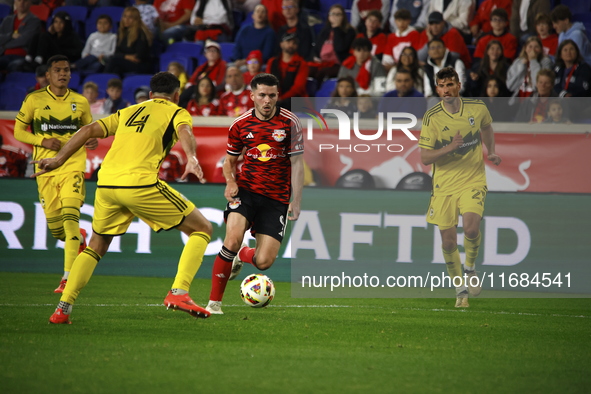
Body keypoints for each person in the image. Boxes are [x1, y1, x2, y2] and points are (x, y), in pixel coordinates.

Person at [35, 71, 214, 324]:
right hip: (139, 184)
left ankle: (63, 308)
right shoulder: (177, 111)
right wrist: (192, 158)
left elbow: (88, 130)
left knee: (97, 246)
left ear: (150, 95)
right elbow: (184, 131)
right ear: (177, 95)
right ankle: (179, 292)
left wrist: (57, 159)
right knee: (202, 228)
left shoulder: (130, 111)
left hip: (106, 184)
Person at [206, 73, 303, 315]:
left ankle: (243, 255)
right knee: (231, 239)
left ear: (278, 95)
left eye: (272, 95)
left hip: (276, 198)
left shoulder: (290, 122)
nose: (267, 100)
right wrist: (230, 183)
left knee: (263, 262)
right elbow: (228, 162)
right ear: (252, 96)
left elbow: (298, 163)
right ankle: (214, 304)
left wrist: (296, 200)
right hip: (246, 190)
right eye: (262, 95)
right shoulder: (240, 125)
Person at [419, 66, 502, 308]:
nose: (446, 90)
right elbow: (425, 157)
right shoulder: (432, 117)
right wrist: (450, 147)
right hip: (444, 185)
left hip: (472, 179)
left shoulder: (477, 108)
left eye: (450, 85)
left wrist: (492, 150)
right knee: (448, 243)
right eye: (442, 86)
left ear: (458, 86)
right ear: (437, 89)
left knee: (471, 228)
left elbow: (486, 127)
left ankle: (470, 269)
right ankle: (460, 289)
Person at [13, 55, 95, 293]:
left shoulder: (80, 102)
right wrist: (42, 140)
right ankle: (79, 239)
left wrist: (91, 141)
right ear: (48, 75)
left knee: (70, 221)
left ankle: (67, 278)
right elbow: (18, 131)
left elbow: (90, 130)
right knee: (58, 231)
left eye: (67, 70)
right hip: (45, 169)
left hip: (73, 167)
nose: (63, 74)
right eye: (58, 70)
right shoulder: (34, 100)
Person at [309, 4, 356, 85]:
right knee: (306, 70)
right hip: (322, 62)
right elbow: (317, 47)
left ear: (343, 17)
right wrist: (316, 56)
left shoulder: (349, 31)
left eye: (338, 14)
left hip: (339, 64)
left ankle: (319, 95)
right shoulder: (325, 30)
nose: (335, 16)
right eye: (332, 14)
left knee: (322, 73)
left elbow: (340, 48)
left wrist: (336, 28)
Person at [105, 7, 153, 77]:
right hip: (125, 62)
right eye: (125, 16)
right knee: (116, 69)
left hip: (141, 65)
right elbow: (116, 52)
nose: (126, 20)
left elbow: (139, 56)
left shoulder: (141, 33)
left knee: (113, 61)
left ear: (136, 19)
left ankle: (102, 81)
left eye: (130, 17)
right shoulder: (121, 32)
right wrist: (126, 56)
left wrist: (123, 56)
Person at [266, 32, 309, 110]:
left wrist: (281, 98)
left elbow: (298, 87)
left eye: (294, 43)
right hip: (275, 99)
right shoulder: (272, 62)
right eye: (288, 42)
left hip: (295, 101)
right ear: (281, 44)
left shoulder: (302, 63)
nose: (291, 45)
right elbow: (268, 82)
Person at [0, 0, 42, 73]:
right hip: (3, 55)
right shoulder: (7, 20)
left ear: (30, 3)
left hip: (22, 56)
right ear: (15, 2)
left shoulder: (34, 21)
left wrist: (4, 44)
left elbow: (25, 40)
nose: (21, 3)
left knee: (15, 66)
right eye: (19, 0)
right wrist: (11, 35)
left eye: (25, 1)